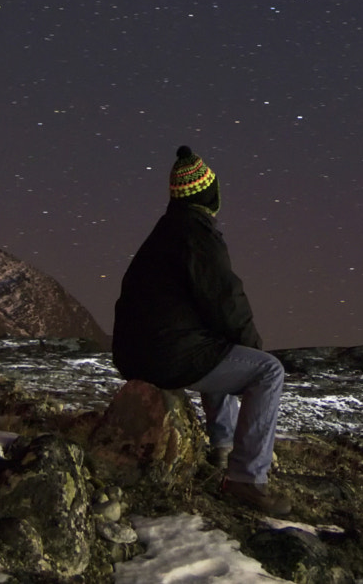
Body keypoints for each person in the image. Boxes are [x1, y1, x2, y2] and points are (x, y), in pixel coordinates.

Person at [112, 145, 289, 514]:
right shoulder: (197, 233)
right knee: (268, 371)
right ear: (210, 194)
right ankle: (247, 479)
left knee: (218, 345)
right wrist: (255, 348)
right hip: (167, 356)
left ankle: (222, 449)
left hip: (135, 355)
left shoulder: (163, 233)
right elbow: (226, 299)